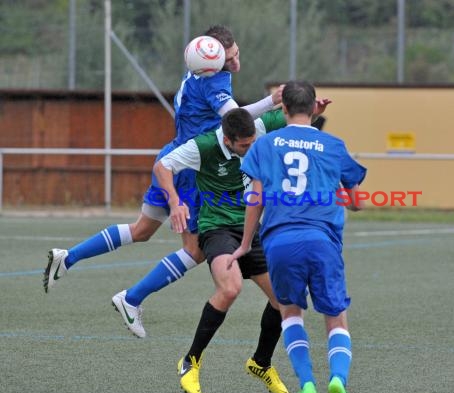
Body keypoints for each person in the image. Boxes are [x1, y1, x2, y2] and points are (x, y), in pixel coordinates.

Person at [42, 25, 282, 339]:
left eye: (236, 52)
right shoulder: (215, 79)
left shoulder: (197, 69)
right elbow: (236, 119)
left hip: (173, 154)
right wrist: (271, 101)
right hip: (194, 167)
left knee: (141, 229)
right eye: (231, 56)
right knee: (196, 250)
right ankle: (131, 298)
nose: (236, 59)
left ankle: (68, 257)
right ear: (214, 59)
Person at [153, 102, 330, 393]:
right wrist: (174, 201)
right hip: (216, 228)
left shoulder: (256, 130)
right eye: (244, 146)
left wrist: (311, 109)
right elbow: (162, 166)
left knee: (285, 299)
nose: (250, 150)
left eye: (252, 144)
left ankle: (260, 363)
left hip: (249, 229)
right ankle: (190, 360)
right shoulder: (203, 146)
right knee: (230, 288)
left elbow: (290, 115)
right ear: (227, 141)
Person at [228, 80, 366, 393]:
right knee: (335, 317)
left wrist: (246, 243)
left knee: (290, 314)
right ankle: (338, 386)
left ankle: (306, 386)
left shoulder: (264, 145)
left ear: (283, 109)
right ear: (313, 106)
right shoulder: (332, 144)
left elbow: (256, 198)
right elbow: (357, 202)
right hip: (322, 240)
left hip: (279, 242)